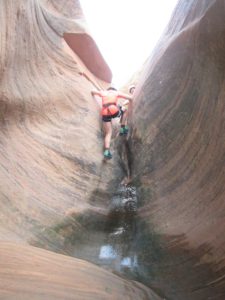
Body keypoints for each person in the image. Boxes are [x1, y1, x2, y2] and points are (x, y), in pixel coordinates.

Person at [91, 86, 133, 159]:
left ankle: (106, 151)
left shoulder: (103, 92)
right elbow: (130, 98)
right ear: (114, 90)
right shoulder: (116, 92)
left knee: (108, 133)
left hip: (105, 113)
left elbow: (92, 91)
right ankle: (123, 128)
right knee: (124, 110)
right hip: (114, 110)